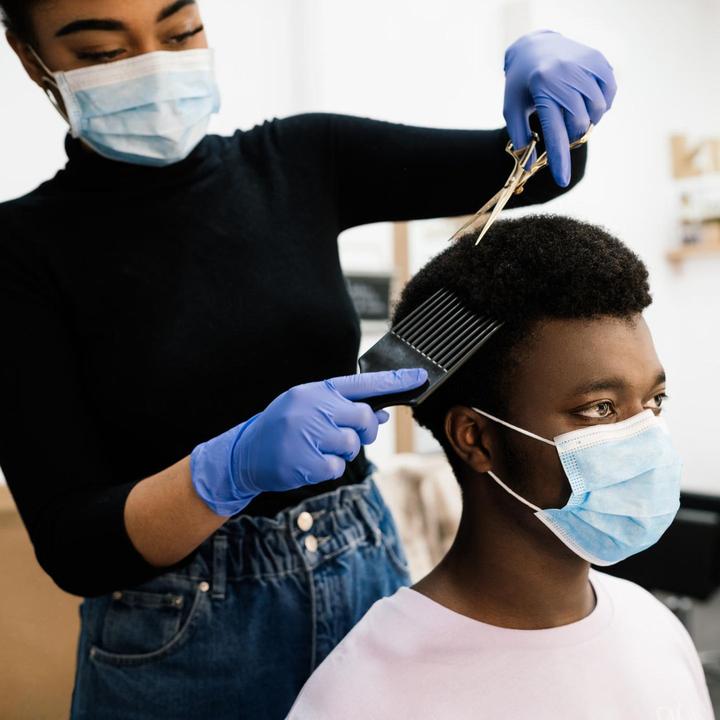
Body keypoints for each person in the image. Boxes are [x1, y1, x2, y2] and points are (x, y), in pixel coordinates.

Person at [0, 0, 616, 717]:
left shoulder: (301, 159)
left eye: (180, 33)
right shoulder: (21, 252)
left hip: (362, 575)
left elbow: (540, 172)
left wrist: (549, 85)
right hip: (178, 633)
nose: (155, 67)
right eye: (104, 52)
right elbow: (77, 548)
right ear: (30, 56)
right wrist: (225, 471)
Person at [287, 215, 715, 720]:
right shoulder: (364, 693)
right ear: (476, 438)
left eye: (655, 399)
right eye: (601, 407)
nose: (645, 435)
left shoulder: (654, 626)